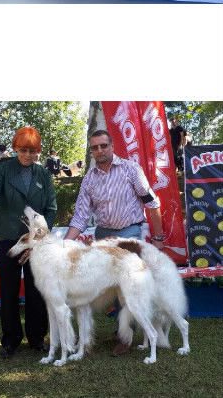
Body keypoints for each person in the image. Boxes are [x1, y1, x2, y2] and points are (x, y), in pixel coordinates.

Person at [63, 129, 165, 355]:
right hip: (104, 235)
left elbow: (151, 203)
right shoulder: (89, 179)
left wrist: (158, 238)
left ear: (112, 146)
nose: (99, 150)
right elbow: (80, 215)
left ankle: (125, 337)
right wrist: (64, 245)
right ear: (91, 151)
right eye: (95, 147)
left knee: (127, 284)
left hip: (129, 233)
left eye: (103, 146)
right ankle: (118, 328)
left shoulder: (131, 169)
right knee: (106, 285)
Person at [0, 126, 57, 358]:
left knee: (36, 289)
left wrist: (41, 234)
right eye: (23, 150)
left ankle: (37, 338)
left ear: (38, 151)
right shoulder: (3, 169)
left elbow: (51, 209)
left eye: (33, 151)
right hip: (7, 236)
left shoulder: (44, 175)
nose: (28, 155)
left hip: (36, 241)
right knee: (8, 289)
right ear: (15, 148)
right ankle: (10, 340)